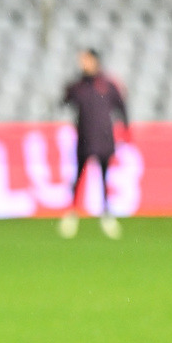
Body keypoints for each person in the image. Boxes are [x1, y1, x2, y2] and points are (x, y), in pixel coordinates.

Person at [59, 48, 131, 239]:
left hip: (104, 139)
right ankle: (72, 214)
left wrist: (126, 130)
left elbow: (122, 107)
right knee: (79, 177)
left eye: (86, 60)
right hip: (84, 138)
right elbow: (64, 102)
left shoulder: (107, 84)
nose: (83, 63)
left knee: (104, 177)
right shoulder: (78, 86)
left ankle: (106, 215)